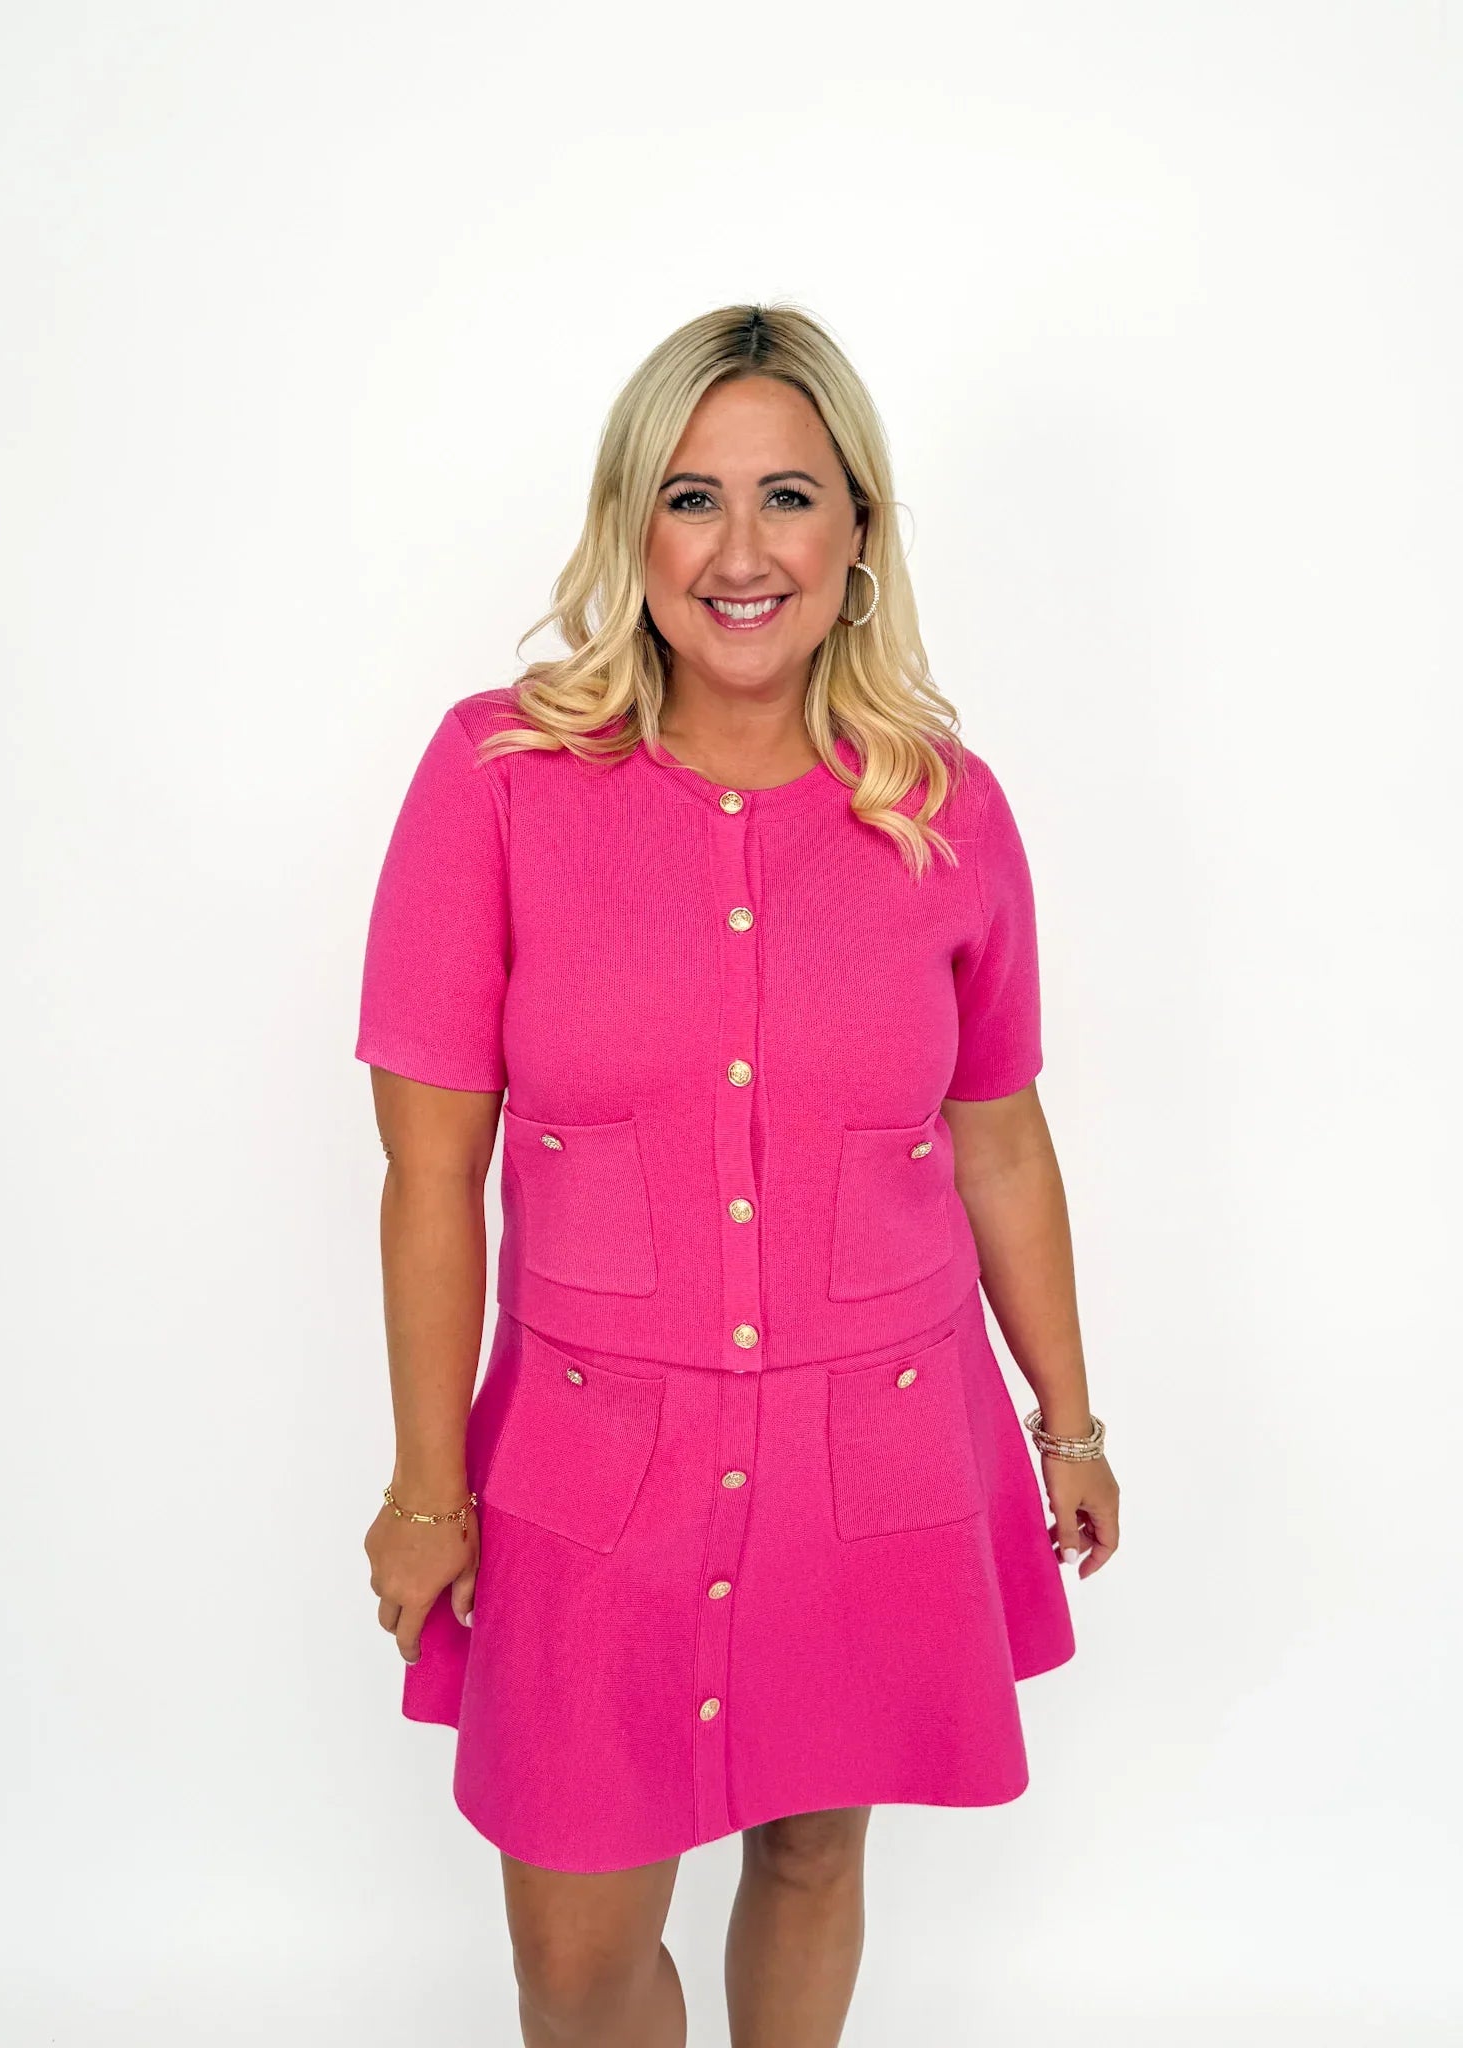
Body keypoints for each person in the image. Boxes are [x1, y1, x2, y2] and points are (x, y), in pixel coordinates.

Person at [354, 301, 1120, 2048]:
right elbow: (427, 1174)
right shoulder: (498, 780)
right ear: (631, 527)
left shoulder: (945, 808)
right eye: (691, 499)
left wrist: (1068, 1423)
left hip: (878, 1432)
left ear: (858, 530)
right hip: (591, 1463)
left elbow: (999, 1137)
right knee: (575, 1961)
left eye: (789, 496)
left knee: (814, 1850)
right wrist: (426, 1489)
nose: (743, 551)